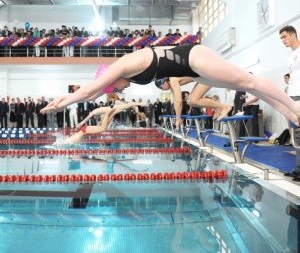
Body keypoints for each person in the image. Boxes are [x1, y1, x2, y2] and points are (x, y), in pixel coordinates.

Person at [41, 44, 300, 129]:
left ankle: (293, 106)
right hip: (192, 71)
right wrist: (61, 100)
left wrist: (67, 99)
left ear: (110, 77)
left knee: (248, 81)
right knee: (244, 86)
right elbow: (93, 91)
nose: (121, 92)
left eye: (116, 89)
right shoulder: (120, 76)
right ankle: (289, 111)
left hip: (192, 57)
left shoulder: (122, 64)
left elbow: (89, 90)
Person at [155, 77, 232, 129]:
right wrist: (177, 117)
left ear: (164, 82)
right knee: (190, 101)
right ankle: (218, 107)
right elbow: (176, 101)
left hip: (206, 76)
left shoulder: (172, 80)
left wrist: (178, 118)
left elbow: (179, 101)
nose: (162, 90)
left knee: (193, 100)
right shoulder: (171, 84)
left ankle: (224, 107)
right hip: (201, 78)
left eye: (161, 87)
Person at [280, 26, 300, 177]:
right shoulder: (290, 56)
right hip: (293, 96)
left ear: (294, 35)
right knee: (297, 133)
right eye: (281, 38)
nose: (283, 41)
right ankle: (299, 168)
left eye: (285, 37)